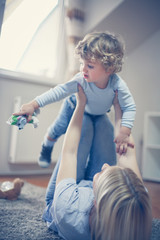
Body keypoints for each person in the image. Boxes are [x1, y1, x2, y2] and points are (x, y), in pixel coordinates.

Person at [42, 86, 152, 240]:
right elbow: (127, 154)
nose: (105, 166)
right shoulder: (137, 204)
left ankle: (51, 136)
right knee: (102, 121)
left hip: (65, 196)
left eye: (102, 174)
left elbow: (70, 153)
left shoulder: (67, 209)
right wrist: (117, 106)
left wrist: (80, 105)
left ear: (97, 201)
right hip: (92, 190)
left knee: (85, 121)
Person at [13, 31, 136, 168]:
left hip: (99, 114)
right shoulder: (81, 79)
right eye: (81, 63)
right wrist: (33, 104)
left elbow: (130, 107)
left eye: (89, 66)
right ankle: (47, 145)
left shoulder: (118, 85)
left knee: (96, 138)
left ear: (109, 68)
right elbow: (60, 91)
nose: (83, 69)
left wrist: (124, 132)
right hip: (73, 105)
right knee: (59, 128)